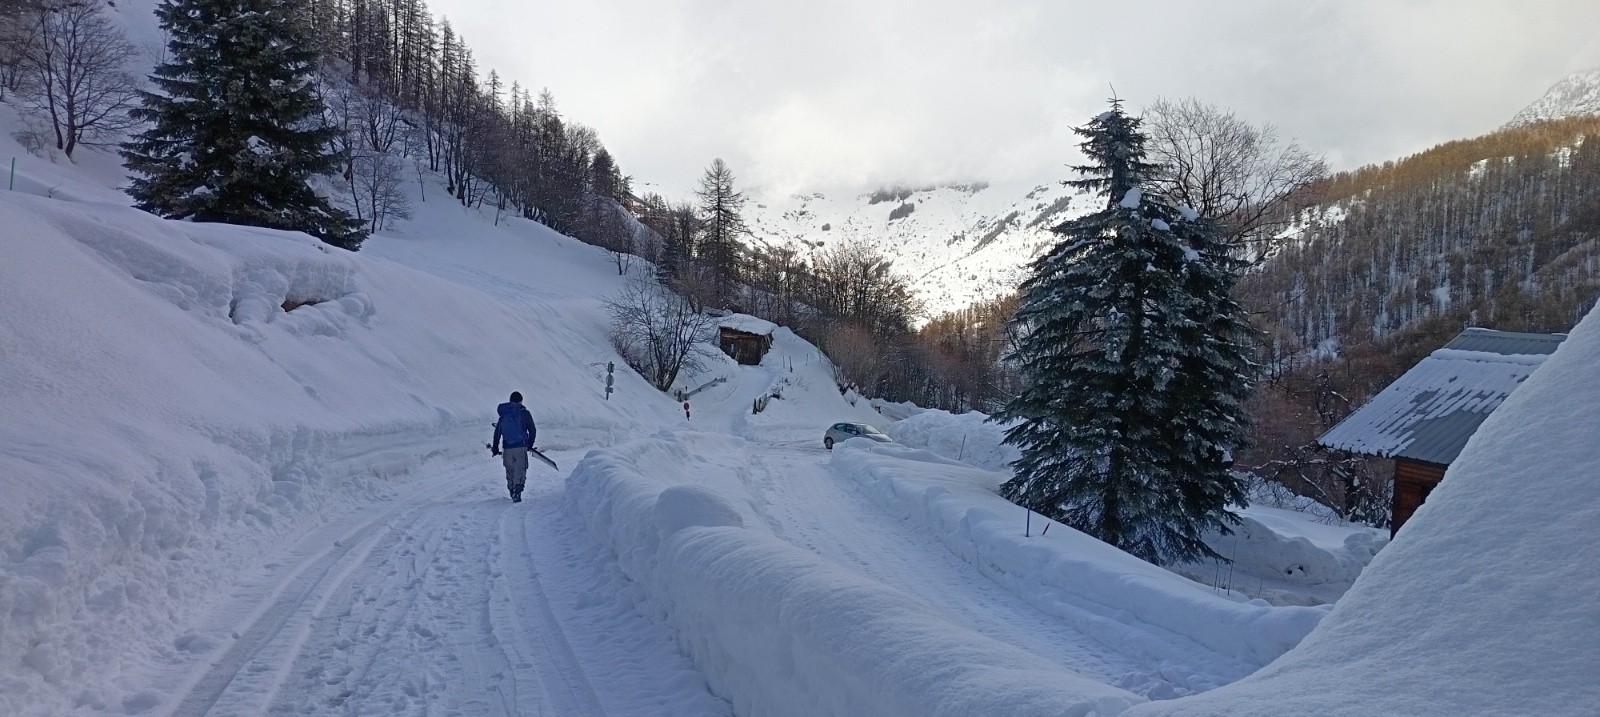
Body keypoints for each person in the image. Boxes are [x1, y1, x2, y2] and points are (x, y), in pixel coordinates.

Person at [490, 391, 537, 502]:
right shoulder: (524, 413)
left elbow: (498, 431)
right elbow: (532, 430)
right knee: (520, 469)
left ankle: (512, 490)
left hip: (507, 448)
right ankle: (517, 491)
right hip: (521, 447)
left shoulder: (504, 414)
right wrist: (530, 444)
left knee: (510, 470)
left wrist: (495, 446)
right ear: (520, 401)